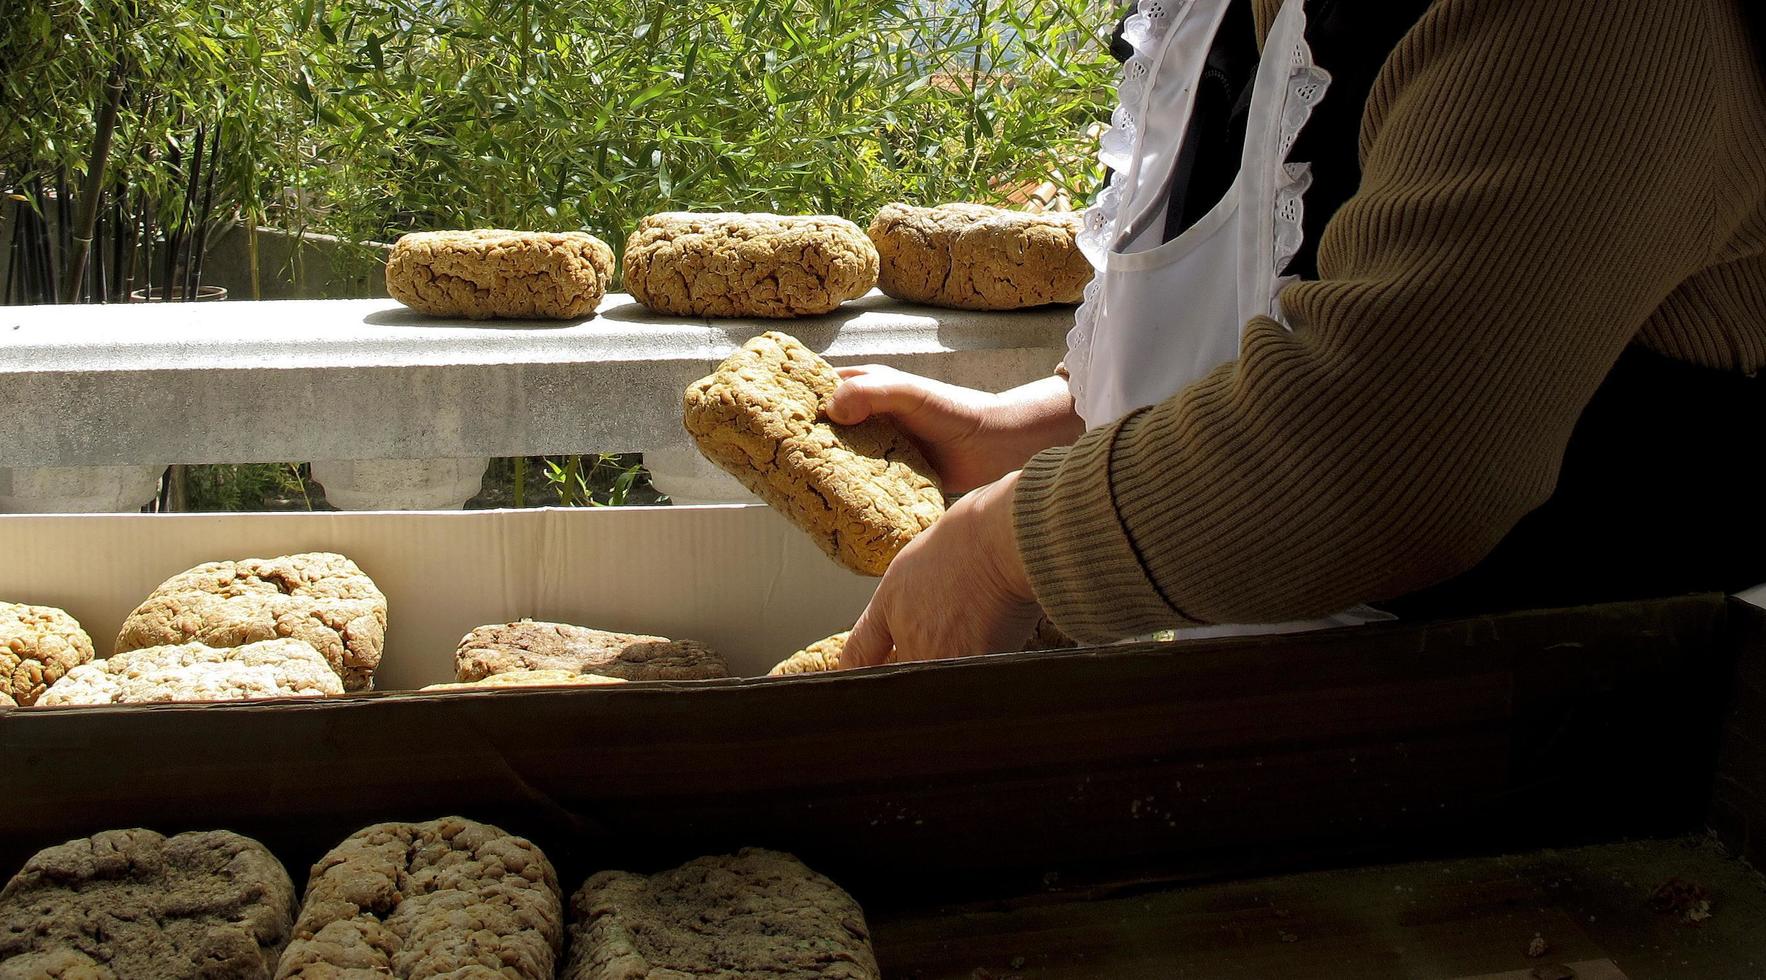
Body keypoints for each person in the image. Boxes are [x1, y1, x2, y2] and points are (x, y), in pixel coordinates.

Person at [835, 0, 1766, 668]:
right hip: (1292, 732)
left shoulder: (1597, 26)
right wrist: (1027, 435)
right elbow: (1273, 323)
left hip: (1584, 795)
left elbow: (1380, 456)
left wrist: (1007, 548)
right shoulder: (1229, 20)